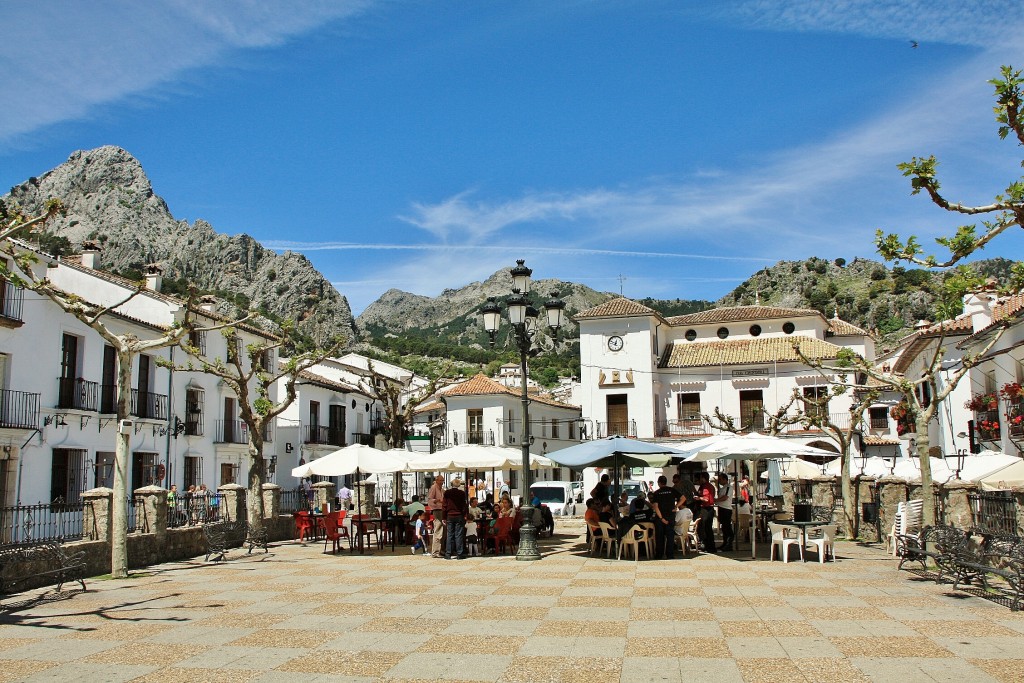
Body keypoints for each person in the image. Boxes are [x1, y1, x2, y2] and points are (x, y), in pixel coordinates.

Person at [649, 475, 679, 560]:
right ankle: (670, 555)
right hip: (670, 516)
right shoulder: (672, 490)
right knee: (670, 536)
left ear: (659, 483)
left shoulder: (656, 493)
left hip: (660, 518)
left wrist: (661, 518)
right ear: (666, 482)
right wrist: (676, 506)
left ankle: (659, 555)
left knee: (659, 537)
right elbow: (683, 498)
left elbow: (655, 507)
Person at [442, 477, 469, 560]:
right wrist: (464, 514)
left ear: (451, 484)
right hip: (459, 515)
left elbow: (444, 505)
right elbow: (464, 505)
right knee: (459, 535)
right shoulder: (462, 493)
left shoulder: (447, 493)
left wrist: (444, 517)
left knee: (449, 534)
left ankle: (448, 553)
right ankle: (459, 553)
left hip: (449, 515)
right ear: (459, 485)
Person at [697, 472, 717, 553]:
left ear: (703, 478)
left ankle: (709, 546)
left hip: (706, 508)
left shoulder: (706, 486)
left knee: (705, 528)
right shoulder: (711, 486)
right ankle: (709, 546)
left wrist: (698, 498)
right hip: (709, 508)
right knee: (707, 528)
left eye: (700, 478)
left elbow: (706, 499)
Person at [427, 475, 446, 558]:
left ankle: (440, 550)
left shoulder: (441, 489)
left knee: (443, 531)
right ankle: (435, 552)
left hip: (441, 510)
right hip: (437, 510)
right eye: (440, 480)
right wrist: (437, 500)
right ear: (436, 480)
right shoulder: (434, 488)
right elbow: (430, 500)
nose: (442, 482)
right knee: (438, 530)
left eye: (443, 480)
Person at [716, 472, 735, 552]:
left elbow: (725, 497)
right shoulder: (722, 488)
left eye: (720, 479)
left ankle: (729, 544)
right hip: (721, 508)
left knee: (727, 527)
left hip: (726, 509)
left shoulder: (728, 487)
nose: (719, 481)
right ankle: (725, 543)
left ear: (725, 479)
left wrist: (716, 500)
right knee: (723, 527)